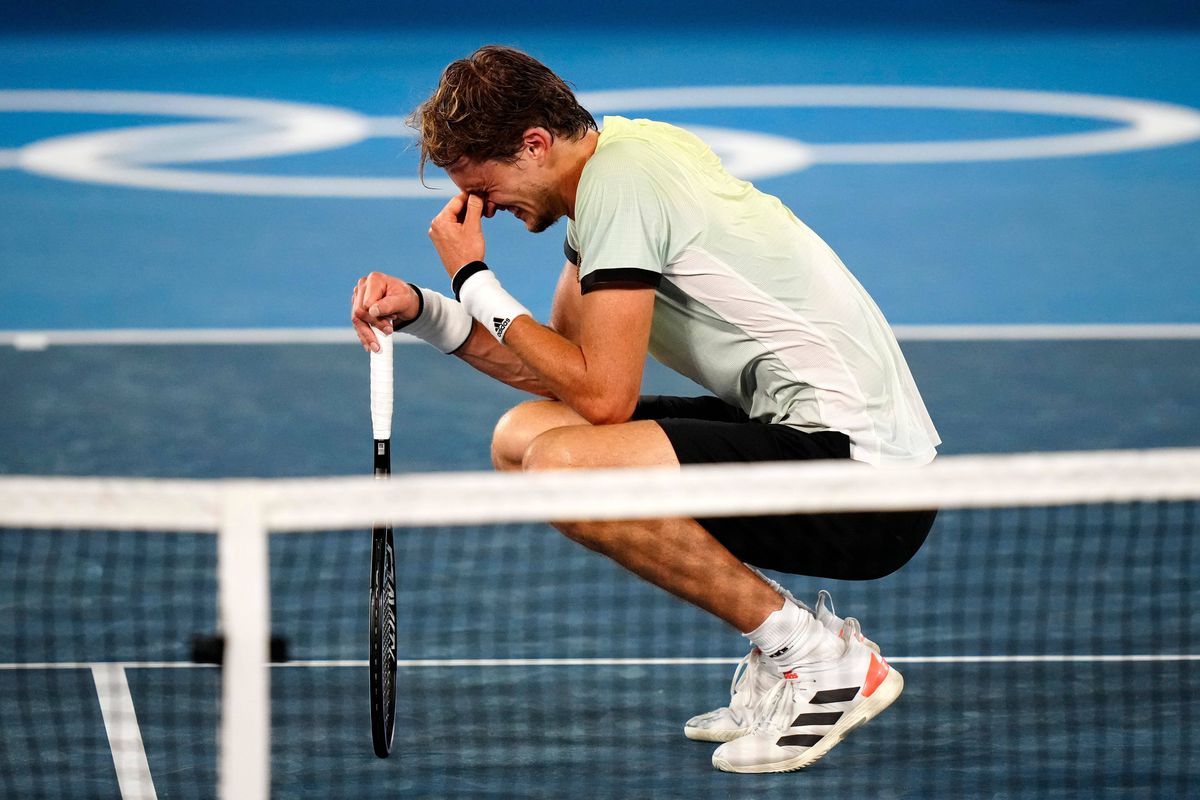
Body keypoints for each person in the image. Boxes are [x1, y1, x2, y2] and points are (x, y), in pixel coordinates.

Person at [350, 45, 940, 774]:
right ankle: (793, 644)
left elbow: (604, 395)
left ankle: (818, 660)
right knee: (525, 438)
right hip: (793, 439)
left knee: (565, 468)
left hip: (866, 480)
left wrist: (473, 274)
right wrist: (428, 311)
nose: (485, 209)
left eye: (486, 187)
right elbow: (559, 373)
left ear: (534, 143)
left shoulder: (622, 185)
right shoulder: (615, 164)